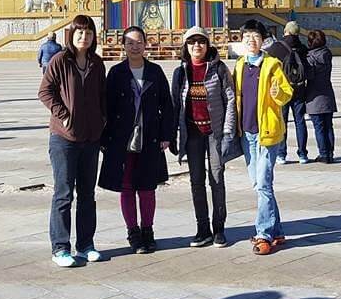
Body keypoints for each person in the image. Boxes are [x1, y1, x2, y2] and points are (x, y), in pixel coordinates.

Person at [38, 14, 107, 268]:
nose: (84, 37)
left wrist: (102, 122)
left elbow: (102, 96)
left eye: (88, 33)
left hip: (90, 138)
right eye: (80, 32)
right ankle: (60, 247)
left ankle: (86, 245)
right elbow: (45, 91)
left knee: (88, 194)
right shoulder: (60, 60)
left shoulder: (97, 63)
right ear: (71, 35)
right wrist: (64, 115)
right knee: (64, 193)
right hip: (64, 138)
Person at [98, 26, 173, 254]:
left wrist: (166, 135)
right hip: (123, 139)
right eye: (130, 42)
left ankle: (148, 230)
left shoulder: (155, 71)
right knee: (127, 187)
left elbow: (167, 105)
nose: (135, 46)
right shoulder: (116, 73)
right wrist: (105, 138)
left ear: (145, 44)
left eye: (139, 42)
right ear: (123, 45)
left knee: (147, 187)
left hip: (150, 137)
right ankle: (133, 232)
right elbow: (106, 108)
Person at [171, 25, 235, 248]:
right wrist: (173, 135)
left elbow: (230, 100)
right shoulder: (181, 72)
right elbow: (175, 104)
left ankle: (219, 228)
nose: (196, 46)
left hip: (215, 133)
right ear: (185, 46)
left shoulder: (219, 69)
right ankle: (202, 228)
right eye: (191, 42)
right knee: (196, 181)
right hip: (192, 134)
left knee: (217, 178)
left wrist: (228, 131)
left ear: (208, 45)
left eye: (201, 41)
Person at [233, 19, 293, 255]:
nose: (251, 40)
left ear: (263, 40)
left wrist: (278, 94)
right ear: (242, 40)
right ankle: (277, 231)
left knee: (263, 184)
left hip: (267, 133)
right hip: (246, 132)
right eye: (247, 36)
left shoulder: (272, 64)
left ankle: (263, 234)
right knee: (259, 184)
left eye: (255, 36)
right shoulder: (239, 65)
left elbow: (286, 92)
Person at [266, 21, 310, 164]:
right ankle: (302, 154)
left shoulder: (276, 47)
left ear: (286, 31)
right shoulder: (303, 48)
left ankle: (281, 154)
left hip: (282, 89)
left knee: (282, 121)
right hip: (299, 88)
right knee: (300, 121)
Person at [304, 30, 338, 163]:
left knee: (319, 127)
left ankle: (323, 154)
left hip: (314, 95)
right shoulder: (327, 54)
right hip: (327, 93)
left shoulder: (309, 58)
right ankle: (330, 153)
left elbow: (309, 76)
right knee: (329, 126)